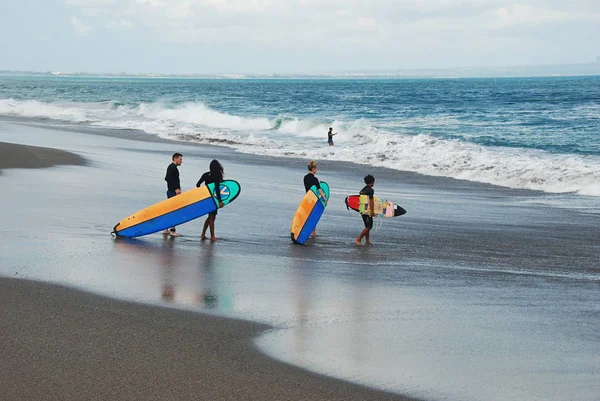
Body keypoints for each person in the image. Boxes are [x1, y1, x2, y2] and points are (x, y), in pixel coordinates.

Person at [196, 159, 225, 242]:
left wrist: (203, 193)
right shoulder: (216, 176)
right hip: (213, 199)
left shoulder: (205, 174)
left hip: (206, 198)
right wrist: (220, 201)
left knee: (210, 217)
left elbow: (198, 184)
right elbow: (216, 189)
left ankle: (203, 234)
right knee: (212, 217)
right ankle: (212, 236)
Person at [303, 160, 327, 238]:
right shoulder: (315, 179)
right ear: (313, 169)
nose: (317, 170)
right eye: (316, 169)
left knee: (308, 215)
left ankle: (306, 230)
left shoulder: (305, 178)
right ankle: (313, 232)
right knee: (314, 215)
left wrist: (317, 182)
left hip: (307, 198)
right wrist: (325, 199)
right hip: (314, 200)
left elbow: (310, 187)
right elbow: (319, 190)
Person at [164, 152, 183, 237]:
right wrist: (176, 188)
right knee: (174, 211)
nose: (181, 161)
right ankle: (172, 231)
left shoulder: (173, 167)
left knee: (170, 210)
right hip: (172, 192)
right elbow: (167, 178)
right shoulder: (172, 167)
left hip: (172, 191)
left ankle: (165, 229)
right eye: (180, 159)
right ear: (175, 159)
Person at [356, 174, 375, 246]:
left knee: (367, 226)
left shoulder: (362, 190)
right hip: (367, 211)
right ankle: (359, 238)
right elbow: (371, 201)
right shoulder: (371, 190)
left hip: (362, 210)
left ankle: (367, 241)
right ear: (372, 182)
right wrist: (372, 211)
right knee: (369, 227)